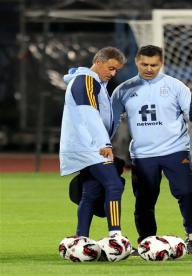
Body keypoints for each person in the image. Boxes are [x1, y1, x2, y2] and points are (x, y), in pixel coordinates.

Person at [111, 45, 192, 254]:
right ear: (136, 62)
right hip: (142, 154)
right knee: (144, 201)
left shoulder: (176, 86)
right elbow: (111, 121)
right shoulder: (122, 90)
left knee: (187, 192)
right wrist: (104, 145)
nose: (149, 68)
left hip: (175, 150)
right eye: (144, 64)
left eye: (154, 65)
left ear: (161, 63)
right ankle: (147, 241)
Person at [59, 46, 127, 238]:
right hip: (91, 147)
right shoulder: (87, 80)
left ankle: (81, 238)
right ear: (98, 62)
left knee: (90, 192)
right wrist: (104, 143)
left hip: (87, 146)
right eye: (111, 68)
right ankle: (116, 237)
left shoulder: (94, 83)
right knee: (114, 185)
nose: (113, 74)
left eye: (116, 70)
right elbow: (89, 114)